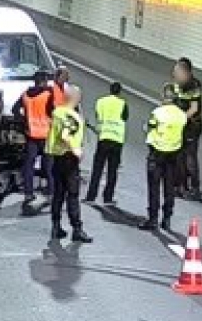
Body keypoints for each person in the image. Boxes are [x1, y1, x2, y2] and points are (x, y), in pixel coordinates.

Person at [45, 84, 92, 243]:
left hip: (56, 158)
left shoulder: (57, 113)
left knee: (58, 194)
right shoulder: (72, 116)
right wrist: (76, 150)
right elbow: (66, 135)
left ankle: (56, 226)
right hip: (69, 159)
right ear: (76, 98)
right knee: (73, 194)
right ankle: (77, 229)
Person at [139, 84, 187, 232]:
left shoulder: (158, 113)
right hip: (174, 155)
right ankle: (167, 219)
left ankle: (153, 219)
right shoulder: (182, 115)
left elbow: (149, 127)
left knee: (154, 188)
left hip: (157, 153)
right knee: (169, 188)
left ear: (165, 96)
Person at [11, 71, 54, 203]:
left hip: (31, 135)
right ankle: (51, 192)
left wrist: (24, 121)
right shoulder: (48, 95)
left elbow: (14, 109)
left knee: (29, 165)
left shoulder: (25, 95)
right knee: (49, 166)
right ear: (44, 81)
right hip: (47, 135)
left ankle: (28, 193)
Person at [85, 81, 129, 204]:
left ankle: (90, 197)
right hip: (116, 140)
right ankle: (108, 198)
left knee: (97, 169)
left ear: (110, 90)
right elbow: (125, 118)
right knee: (112, 171)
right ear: (119, 92)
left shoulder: (101, 102)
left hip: (103, 138)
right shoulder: (123, 103)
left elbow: (98, 116)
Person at [172, 58, 202, 201]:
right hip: (179, 125)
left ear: (186, 72)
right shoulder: (176, 84)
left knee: (190, 157)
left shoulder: (194, 86)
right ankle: (180, 185)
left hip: (191, 126)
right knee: (178, 156)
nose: (175, 73)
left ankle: (194, 188)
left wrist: (180, 118)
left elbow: (194, 108)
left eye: (178, 71)